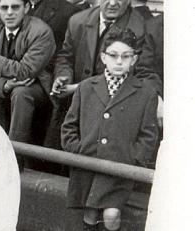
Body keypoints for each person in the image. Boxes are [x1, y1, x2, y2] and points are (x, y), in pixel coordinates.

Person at [60, 28, 158, 231]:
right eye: (113, 55)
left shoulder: (144, 91)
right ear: (103, 57)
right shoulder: (87, 87)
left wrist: (132, 162)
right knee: (91, 212)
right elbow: (68, 127)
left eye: (126, 56)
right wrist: (78, 150)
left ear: (134, 60)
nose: (119, 61)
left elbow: (149, 136)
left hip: (119, 169)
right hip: (88, 165)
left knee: (112, 215)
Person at [48, 0, 159, 151]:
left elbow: (130, 71)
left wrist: (76, 88)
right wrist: (63, 76)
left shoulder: (140, 27)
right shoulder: (78, 21)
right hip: (74, 105)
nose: (113, 3)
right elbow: (66, 56)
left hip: (114, 107)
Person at [0, 0, 55, 148]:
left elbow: (26, 71)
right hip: (7, 86)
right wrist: (5, 85)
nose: (9, 12)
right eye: (4, 7)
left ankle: (15, 155)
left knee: (21, 93)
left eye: (15, 7)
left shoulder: (41, 31)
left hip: (38, 88)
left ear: (26, 8)